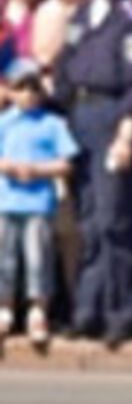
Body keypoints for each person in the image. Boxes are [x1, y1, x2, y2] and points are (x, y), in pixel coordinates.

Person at [49, 0, 132, 347]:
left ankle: (120, 311)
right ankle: (87, 307)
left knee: (114, 219)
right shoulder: (81, 16)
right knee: (89, 219)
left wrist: (126, 135)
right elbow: (65, 71)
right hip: (79, 115)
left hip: (112, 116)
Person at [0, 57, 77, 347]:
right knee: (5, 258)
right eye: (21, 87)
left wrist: (37, 170)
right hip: (6, 202)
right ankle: (5, 307)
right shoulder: (4, 122)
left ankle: (38, 310)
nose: (28, 94)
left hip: (38, 203)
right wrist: (8, 167)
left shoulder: (52, 124)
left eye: (33, 87)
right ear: (9, 90)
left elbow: (66, 163)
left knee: (37, 258)